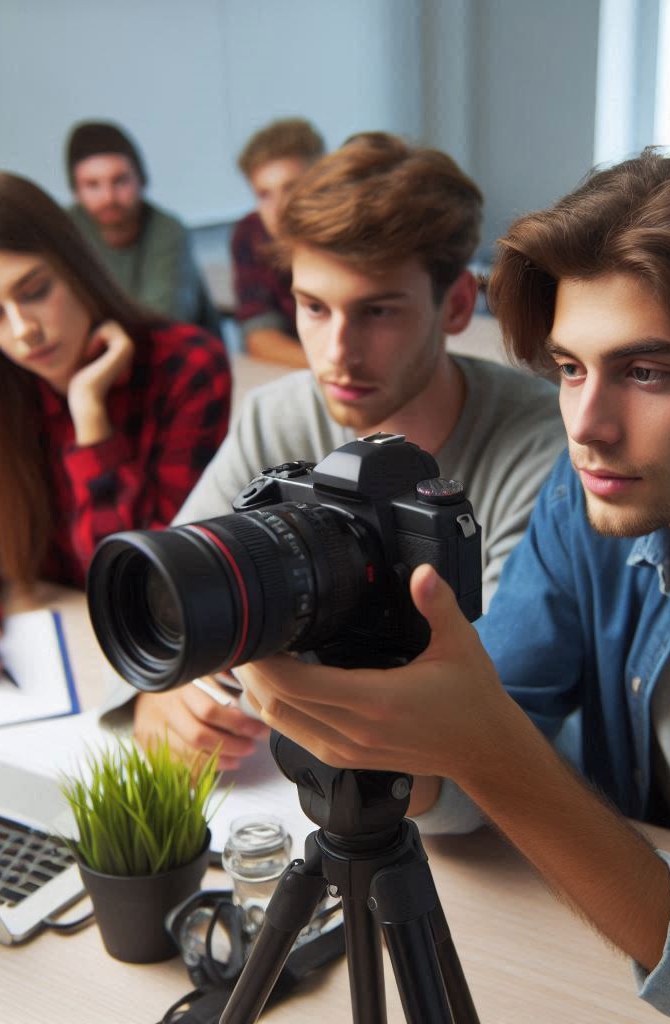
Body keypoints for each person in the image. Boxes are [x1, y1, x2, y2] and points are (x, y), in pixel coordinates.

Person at [232, 146, 670, 1023]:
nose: (586, 427)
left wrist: (480, 745)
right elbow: (466, 785)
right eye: (571, 369)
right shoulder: (589, 499)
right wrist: (379, 730)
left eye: (646, 372)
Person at [113, 132, 566, 767]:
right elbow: (169, 590)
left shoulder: (543, 451)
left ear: (458, 303)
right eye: (314, 307)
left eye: (377, 312)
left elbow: (492, 716)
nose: (336, 354)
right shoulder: (277, 415)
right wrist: (164, 693)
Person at [0, 171, 232, 687]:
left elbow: (147, 582)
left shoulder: (188, 365)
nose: (23, 330)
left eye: (35, 291)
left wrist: (90, 417)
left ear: (75, 265)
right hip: (44, 650)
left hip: (151, 659)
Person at [66, 120, 221, 332]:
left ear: (141, 179)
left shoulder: (168, 230)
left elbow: (165, 323)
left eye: (120, 181)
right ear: (76, 191)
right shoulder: (65, 230)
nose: (108, 197)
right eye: (92, 185)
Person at [231, 117, 325, 367]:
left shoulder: (351, 231)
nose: (278, 208)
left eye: (291, 188)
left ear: (322, 182)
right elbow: (260, 339)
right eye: (264, 195)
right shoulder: (251, 234)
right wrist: (331, 369)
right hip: (307, 371)